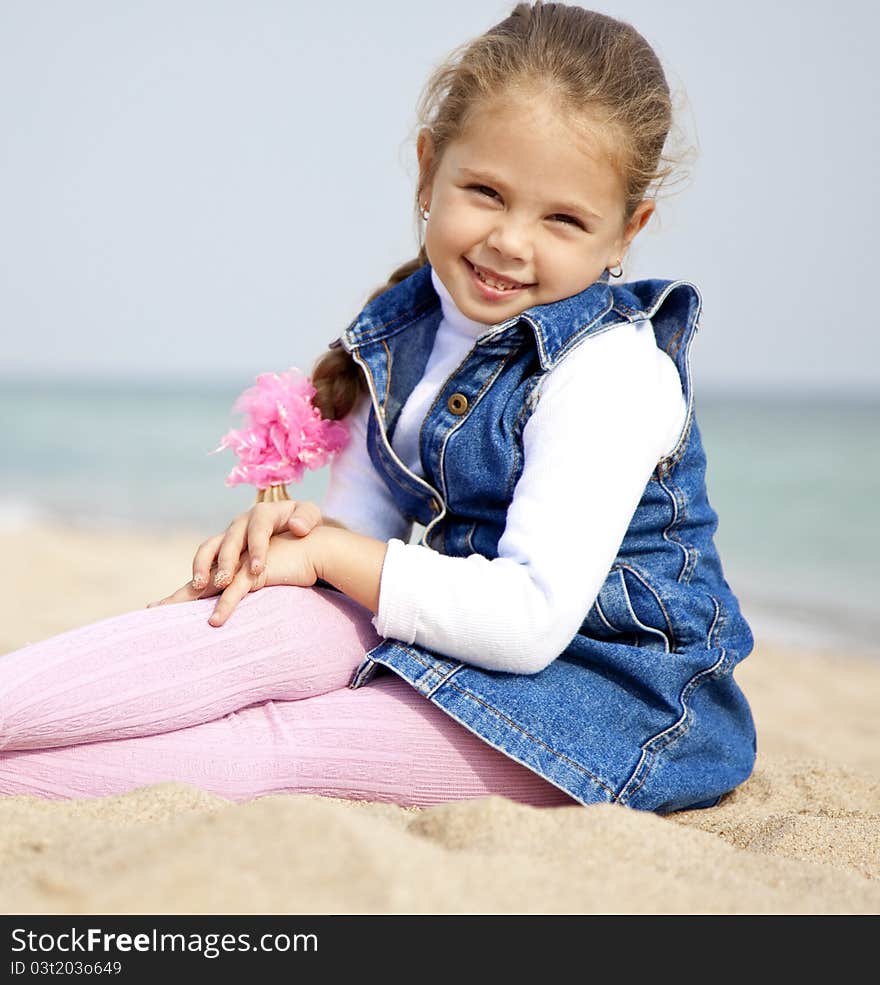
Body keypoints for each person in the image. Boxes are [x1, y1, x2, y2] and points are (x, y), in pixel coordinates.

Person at [0, 2, 755, 813]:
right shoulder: (401, 332)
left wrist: (327, 556)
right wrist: (292, 552)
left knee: (277, 745)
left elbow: (529, 617)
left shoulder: (609, 372)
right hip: (450, 633)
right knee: (261, 630)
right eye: (487, 192)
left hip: (602, 696)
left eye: (564, 219)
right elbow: (357, 549)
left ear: (624, 233)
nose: (510, 240)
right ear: (429, 170)